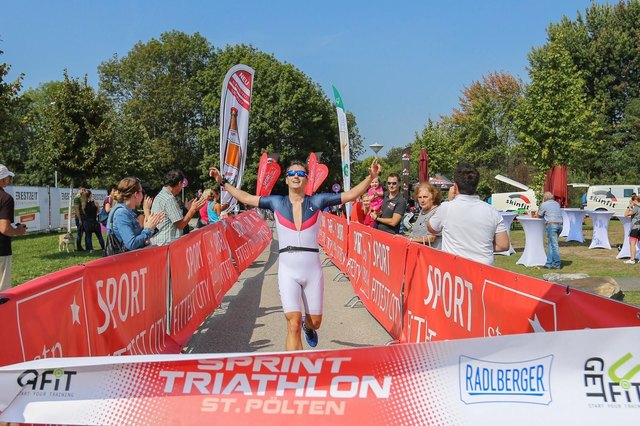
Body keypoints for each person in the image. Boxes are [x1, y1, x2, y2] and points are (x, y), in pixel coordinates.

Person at [209, 158, 381, 351]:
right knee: (292, 322)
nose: (296, 177)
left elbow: (350, 195)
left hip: (312, 269)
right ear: (286, 179)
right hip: (287, 269)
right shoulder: (276, 202)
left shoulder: (317, 200)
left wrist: (370, 177)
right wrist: (222, 182)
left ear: (307, 179)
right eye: (292, 174)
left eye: (300, 174)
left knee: (315, 322)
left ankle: (309, 328)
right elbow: (247, 198)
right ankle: (295, 374)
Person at [428, 162, 509, 265]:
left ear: (455, 187)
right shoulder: (491, 210)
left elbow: (431, 227)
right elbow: (503, 245)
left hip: (455, 271)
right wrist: (480, 247)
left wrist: (449, 201)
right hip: (483, 268)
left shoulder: (446, 207)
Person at [150, 170, 207, 246]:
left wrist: (186, 209)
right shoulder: (169, 199)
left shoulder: (160, 196)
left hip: (159, 242)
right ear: (180, 183)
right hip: (167, 243)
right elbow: (180, 225)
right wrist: (192, 210)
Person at [107, 177, 165, 251]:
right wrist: (148, 229)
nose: (143, 195)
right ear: (136, 194)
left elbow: (135, 239)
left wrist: (149, 229)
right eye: (142, 191)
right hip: (125, 260)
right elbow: (131, 244)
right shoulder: (122, 214)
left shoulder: (127, 212)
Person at [0, 165, 27, 291]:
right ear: (3, 179)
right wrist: (18, 231)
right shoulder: (5, 198)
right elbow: (4, 228)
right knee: (3, 292)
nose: (9, 180)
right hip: (1, 250)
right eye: (8, 177)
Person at [407, 182, 442, 249]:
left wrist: (410, 240)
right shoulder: (422, 211)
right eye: (420, 197)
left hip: (431, 254)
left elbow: (431, 238)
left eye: (425, 197)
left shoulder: (437, 212)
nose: (422, 200)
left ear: (433, 197)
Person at [536, 191, 563, 269]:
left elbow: (538, 215)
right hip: (560, 225)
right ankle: (548, 264)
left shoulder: (544, 204)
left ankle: (557, 264)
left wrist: (541, 205)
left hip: (552, 225)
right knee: (551, 244)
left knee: (554, 245)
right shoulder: (557, 204)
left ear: (544, 198)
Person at [624, 195, 640, 264]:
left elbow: (626, 214)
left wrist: (629, 206)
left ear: (634, 201)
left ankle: (632, 260)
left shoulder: (636, 208)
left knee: (632, 243)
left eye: (632, 200)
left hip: (635, 228)